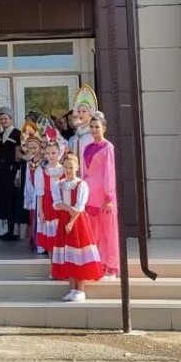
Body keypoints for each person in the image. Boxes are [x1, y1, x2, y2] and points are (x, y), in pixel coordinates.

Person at [51, 151, 106, 300]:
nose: (68, 170)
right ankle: (72, 288)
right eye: (66, 167)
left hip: (78, 222)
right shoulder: (59, 184)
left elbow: (80, 207)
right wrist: (69, 210)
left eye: (71, 167)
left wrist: (71, 221)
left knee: (79, 253)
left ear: (77, 168)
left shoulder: (82, 184)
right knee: (67, 254)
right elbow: (57, 203)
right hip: (65, 220)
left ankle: (81, 290)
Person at [80, 113, 120, 278]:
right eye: (92, 127)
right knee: (94, 232)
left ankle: (111, 266)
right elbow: (84, 171)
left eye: (97, 127)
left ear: (104, 128)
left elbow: (109, 172)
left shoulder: (107, 147)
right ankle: (98, 264)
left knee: (108, 232)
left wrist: (109, 196)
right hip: (90, 194)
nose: (94, 130)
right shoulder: (87, 147)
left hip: (104, 196)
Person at [0, 107, 23, 241]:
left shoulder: (18, 134)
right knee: (4, 200)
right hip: (2, 173)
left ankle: (14, 232)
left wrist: (17, 172)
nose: (3, 121)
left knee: (13, 200)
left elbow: (19, 156)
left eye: (6, 118)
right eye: (1, 119)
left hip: (12, 171)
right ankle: (9, 230)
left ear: (11, 119)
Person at [33, 128, 65, 255]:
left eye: (53, 153)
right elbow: (40, 193)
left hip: (62, 206)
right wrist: (40, 211)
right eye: (48, 153)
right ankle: (53, 266)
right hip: (48, 205)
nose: (50, 156)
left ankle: (62, 267)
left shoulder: (64, 170)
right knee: (51, 238)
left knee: (61, 237)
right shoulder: (41, 171)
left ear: (59, 153)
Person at [67, 85, 99, 156]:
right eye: (78, 111)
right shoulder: (75, 136)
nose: (80, 114)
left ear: (90, 113)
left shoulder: (94, 135)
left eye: (84, 111)